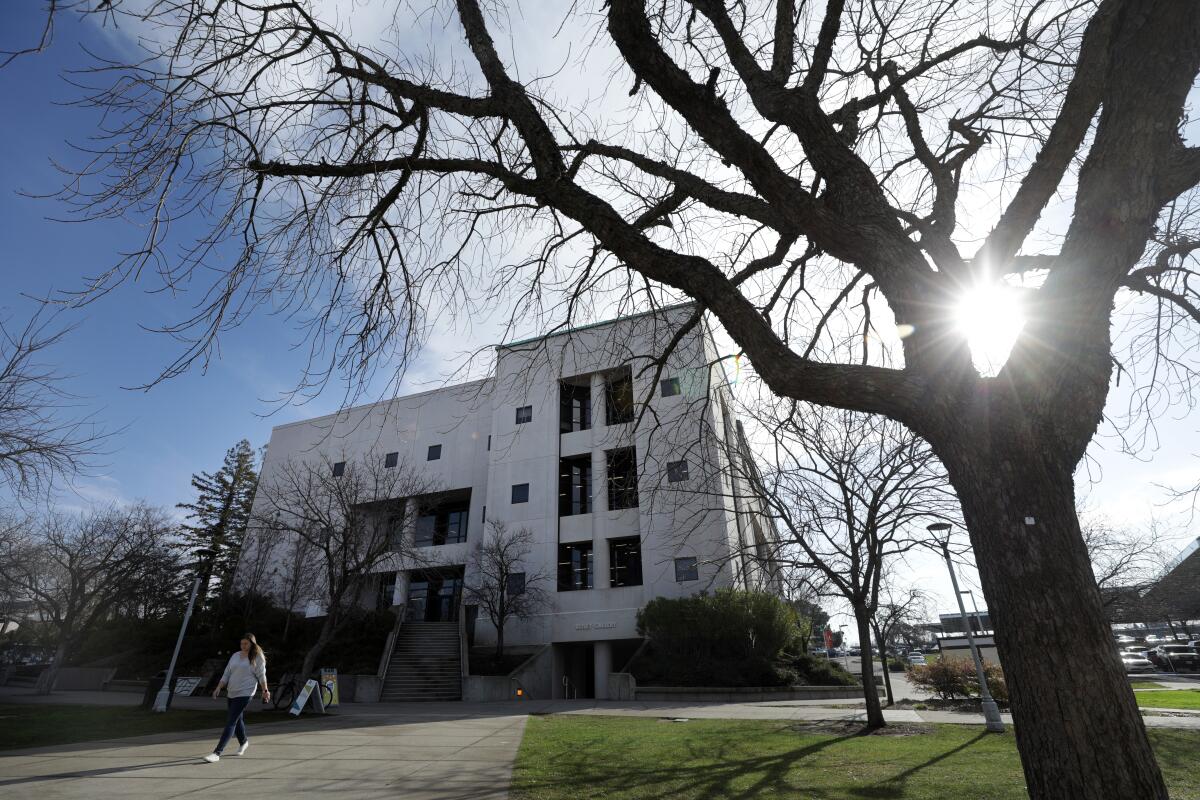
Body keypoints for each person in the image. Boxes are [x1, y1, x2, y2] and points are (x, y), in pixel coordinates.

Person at [202, 633, 270, 763]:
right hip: (232, 691)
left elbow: (262, 675)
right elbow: (227, 673)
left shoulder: (257, 656)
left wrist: (265, 690)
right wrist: (218, 688)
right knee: (237, 719)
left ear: (252, 644)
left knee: (231, 721)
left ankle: (217, 752)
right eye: (241, 643)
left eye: (246, 643)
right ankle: (244, 742)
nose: (243, 646)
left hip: (246, 692)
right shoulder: (235, 656)